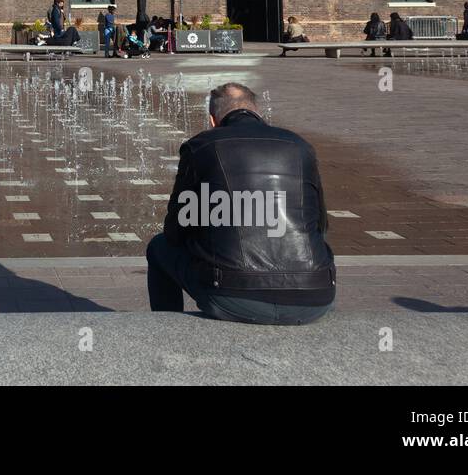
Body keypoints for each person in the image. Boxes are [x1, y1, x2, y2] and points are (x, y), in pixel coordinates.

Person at [144, 82, 335, 325]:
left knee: (159, 247)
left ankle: (166, 331)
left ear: (213, 120)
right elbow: (321, 224)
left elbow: (175, 231)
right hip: (315, 294)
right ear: (258, 112)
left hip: (232, 295)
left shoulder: (201, 146)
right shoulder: (300, 146)